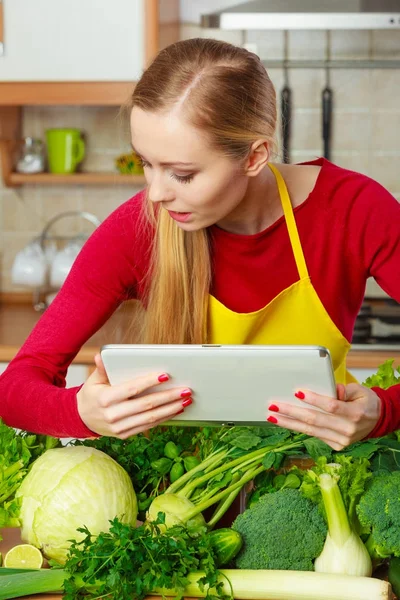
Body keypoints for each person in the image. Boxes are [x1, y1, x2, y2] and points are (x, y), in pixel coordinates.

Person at [1, 38, 400, 450]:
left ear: (254, 156)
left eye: (182, 174)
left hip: (322, 468)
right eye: (146, 163)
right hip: (191, 482)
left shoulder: (352, 211)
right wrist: (81, 412)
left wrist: (384, 411)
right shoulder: (137, 229)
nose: (155, 194)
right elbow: (15, 385)